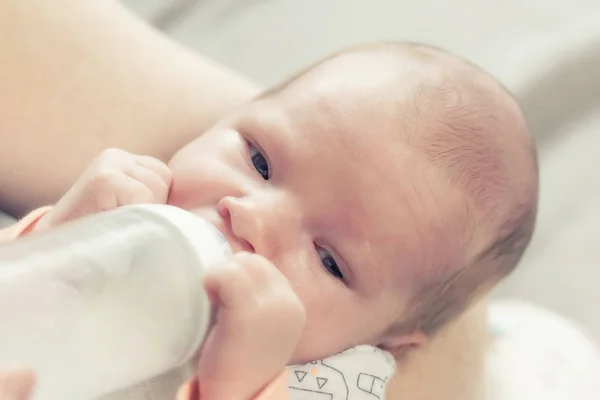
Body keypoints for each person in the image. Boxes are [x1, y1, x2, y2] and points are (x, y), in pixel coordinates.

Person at [0, 39, 538, 400]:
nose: (254, 220)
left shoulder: (331, 379)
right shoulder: (120, 227)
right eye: (258, 161)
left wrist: (238, 382)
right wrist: (59, 236)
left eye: (329, 261)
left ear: (388, 340)